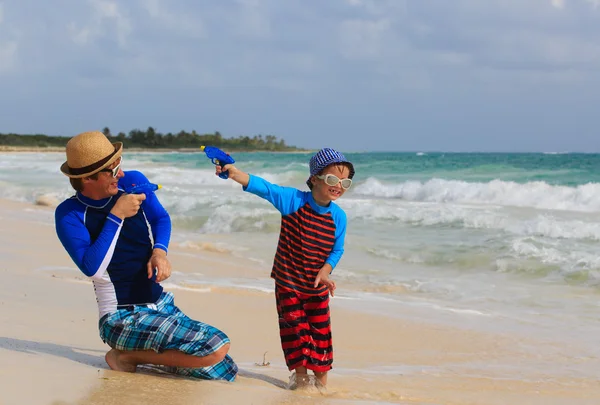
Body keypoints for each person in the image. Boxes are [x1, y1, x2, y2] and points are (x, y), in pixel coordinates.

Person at [54, 131, 237, 381]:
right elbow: (92, 268)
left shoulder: (133, 182)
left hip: (160, 304)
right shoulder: (69, 214)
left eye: (119, 164)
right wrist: (116, 215)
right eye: (113, 169)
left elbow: (160, 218)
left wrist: (160, 251)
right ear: (87, 178)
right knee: (217, 345)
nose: (120, 173)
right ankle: (127, 357)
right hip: (119, 318)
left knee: (224, 371)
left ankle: (144, 354)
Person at [215, 147, 355, 389]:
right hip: (288, 284)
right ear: (314, 179)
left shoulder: (338, 217)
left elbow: (337, 250)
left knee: (321, 335)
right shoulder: (293, 200)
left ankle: (321, 383)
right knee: (294, 332)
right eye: (333, 179)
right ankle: (300, 378)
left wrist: (326, 271)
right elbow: (264, 188)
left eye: (345, 182)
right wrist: (235, 173)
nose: (339, 185)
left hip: (316, 288)